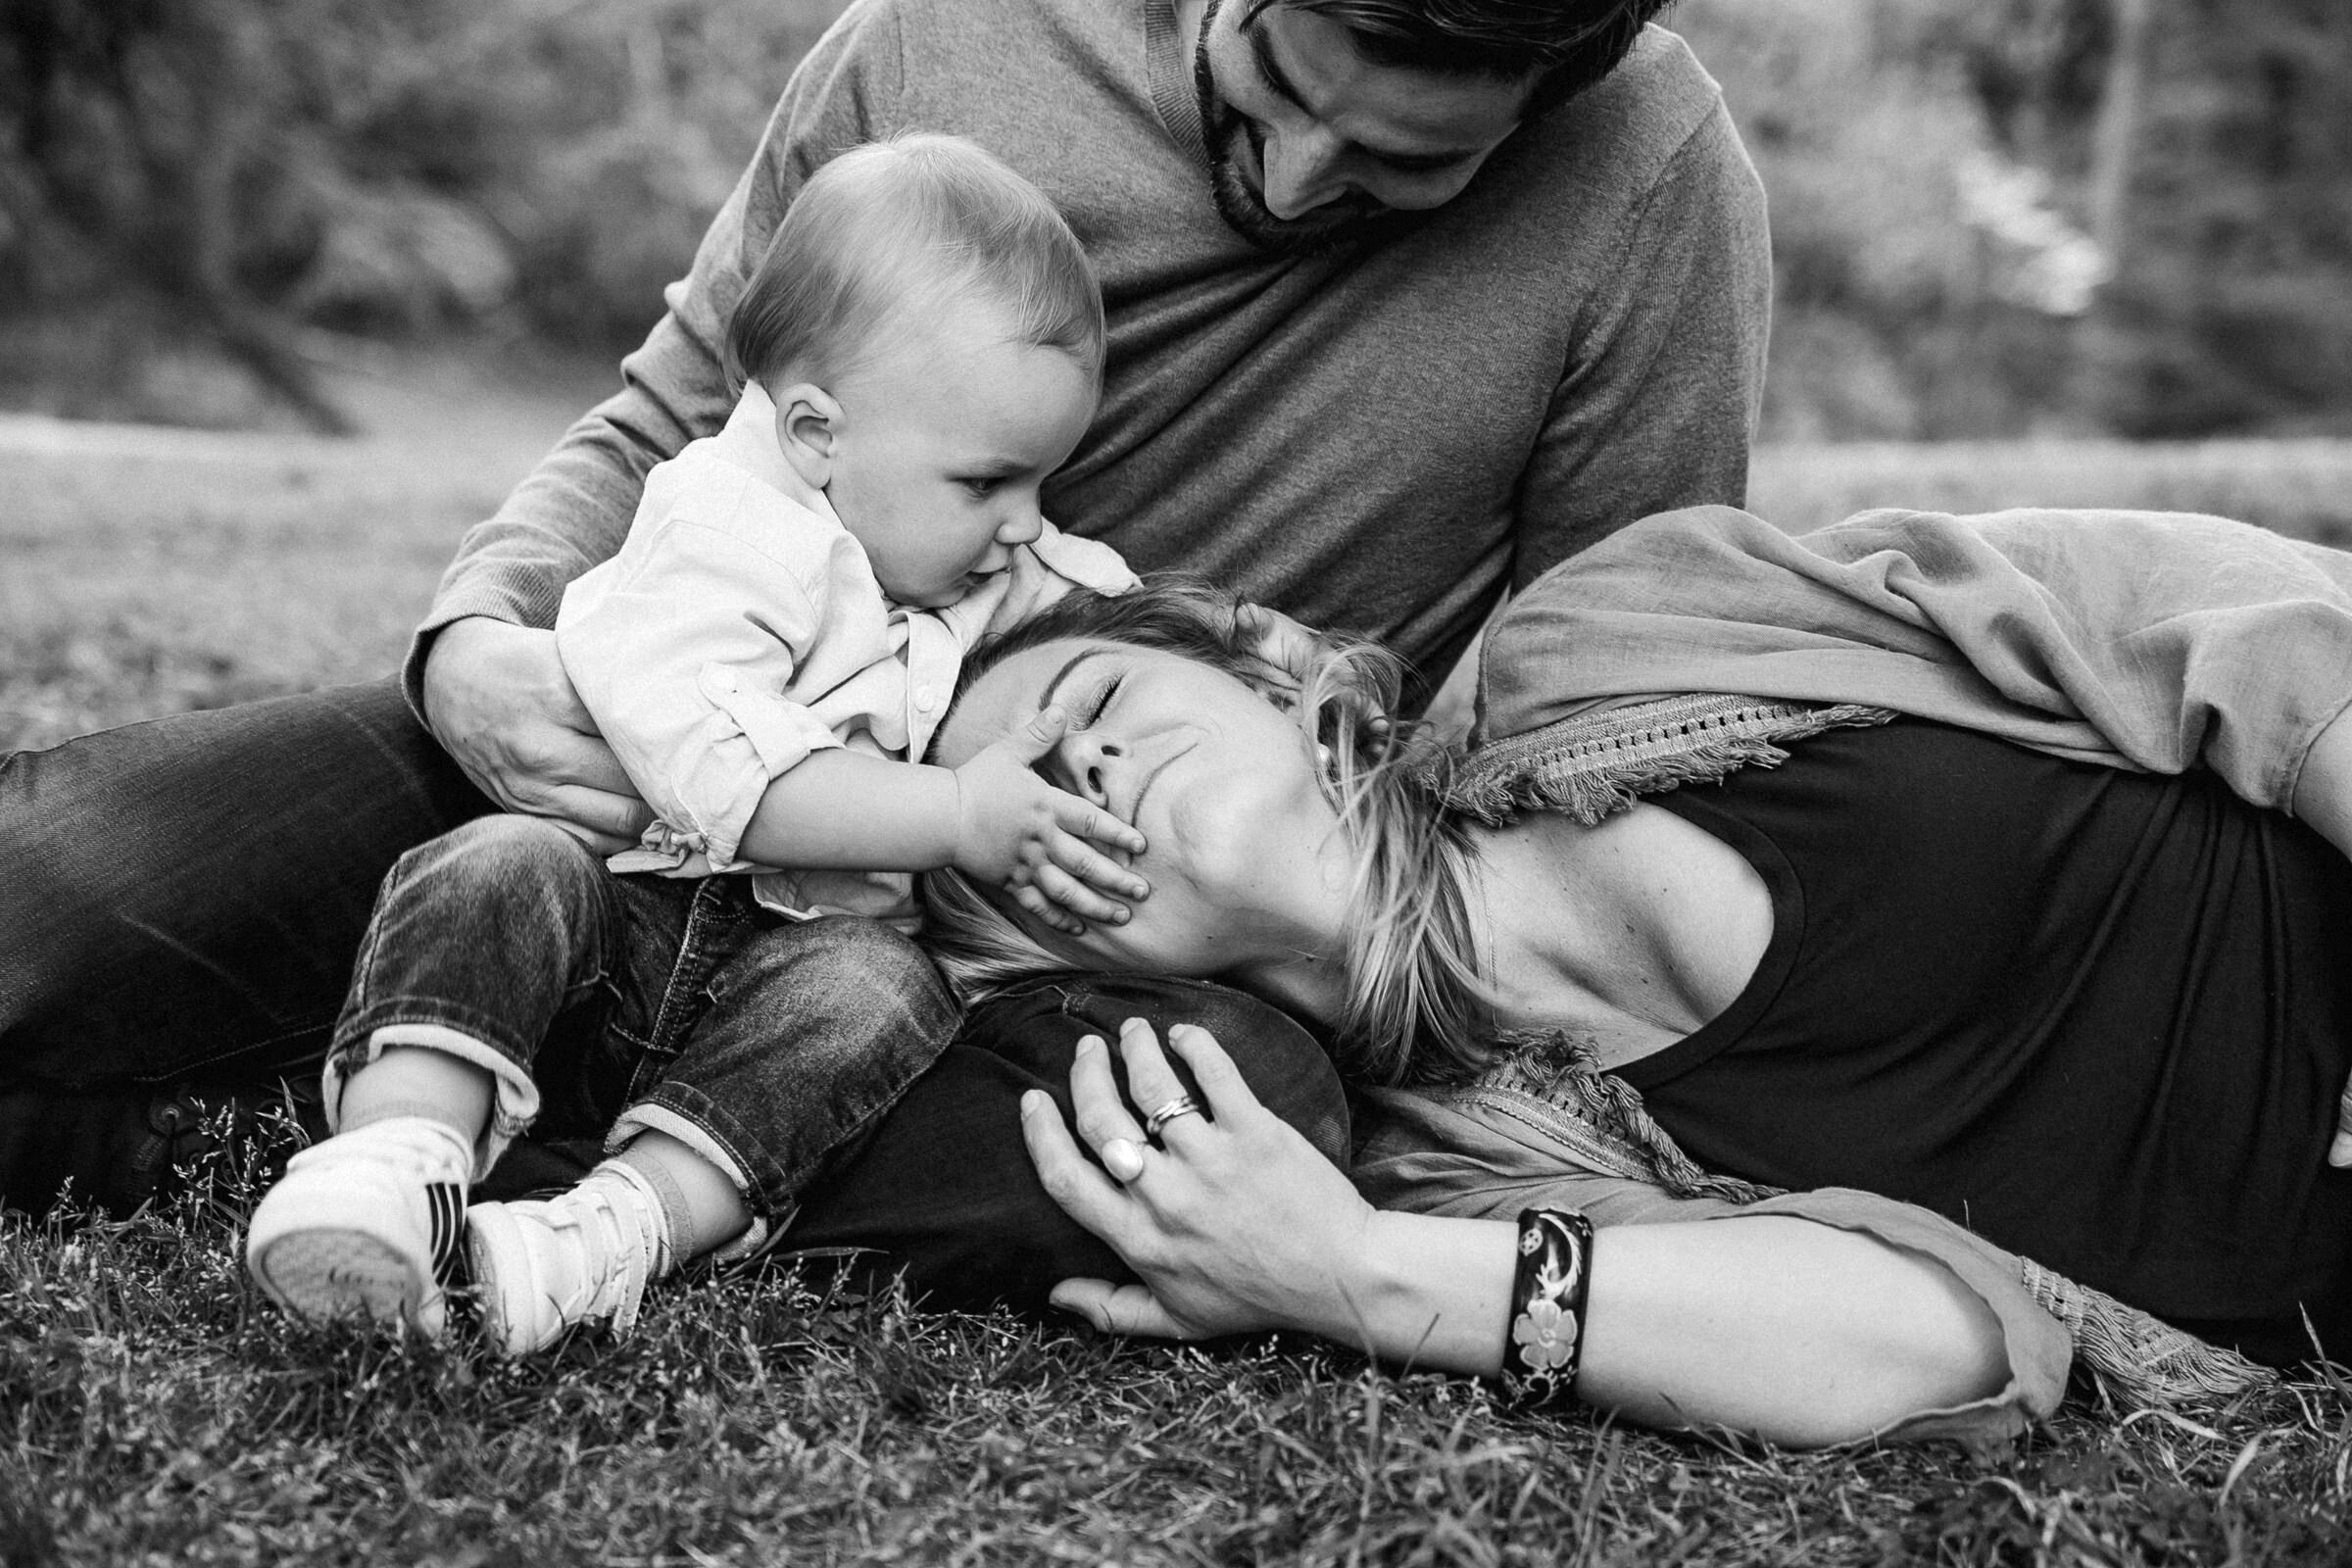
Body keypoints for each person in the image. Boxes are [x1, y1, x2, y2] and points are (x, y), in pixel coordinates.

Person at [1, 0, 1767, 1239]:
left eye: (1398, 168)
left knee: (1238, 1120)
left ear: (1546, 97)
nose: (1299, 181)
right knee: (63, 891)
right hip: (687, 746)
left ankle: (460, 1157)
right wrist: (477, 645)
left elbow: (1605, 677)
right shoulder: (946, 40)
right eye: (1266, 87)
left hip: (1037, 934)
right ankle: (438, 1113)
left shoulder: (1653, 182)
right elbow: (669, 417)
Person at [910, 505, 2352, 1450]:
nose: (1073, 776)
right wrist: (1355, 1273)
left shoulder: (1607, 635)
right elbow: (1934, 1346)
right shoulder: (1450, 1175)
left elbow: (2220, 623)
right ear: (1062, 968)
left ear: (1263, 666)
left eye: (1088, 704)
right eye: (1010, 825)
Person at [242, 135, 1161, 1353]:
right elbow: (739, 783)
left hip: (784, 981)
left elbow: (1106, 604)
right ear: (818, 431)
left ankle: (604, 1238)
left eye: (1046, 479)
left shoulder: (974, 563)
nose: (1025, 522)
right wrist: (954, 815)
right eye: (990, 481)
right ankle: (392, 1161)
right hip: (617, 941)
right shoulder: (719, 529)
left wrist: (1227, 648)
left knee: (880, 989)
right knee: (500, 868)